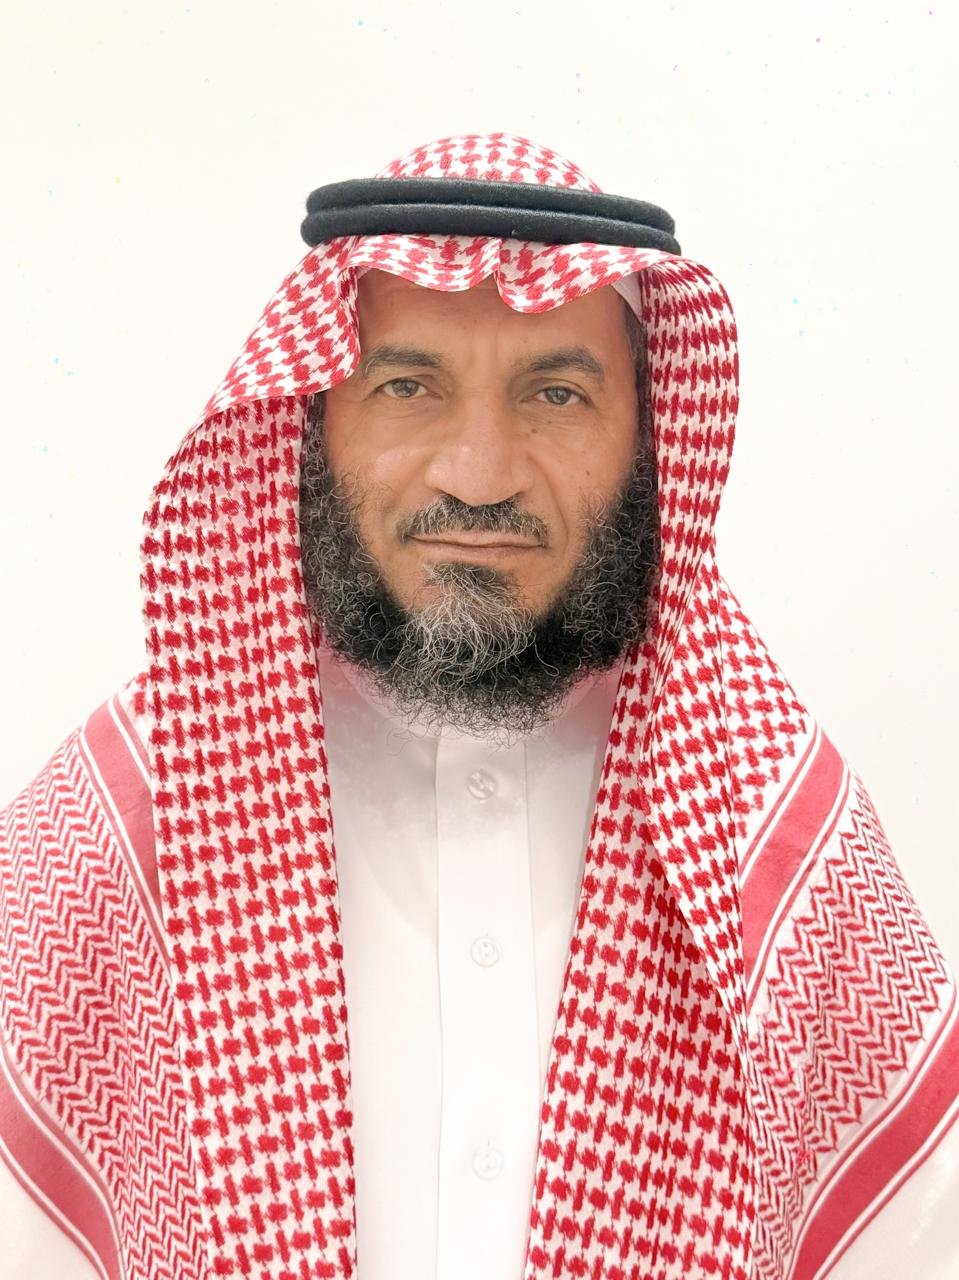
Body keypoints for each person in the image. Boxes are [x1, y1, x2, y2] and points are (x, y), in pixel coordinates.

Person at [0, 132, 956, 1280]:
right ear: (314, 418)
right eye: (407, 386)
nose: (479, 472)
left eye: (555, 392)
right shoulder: (118, 828)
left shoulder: (778, 840)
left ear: (648, 435)